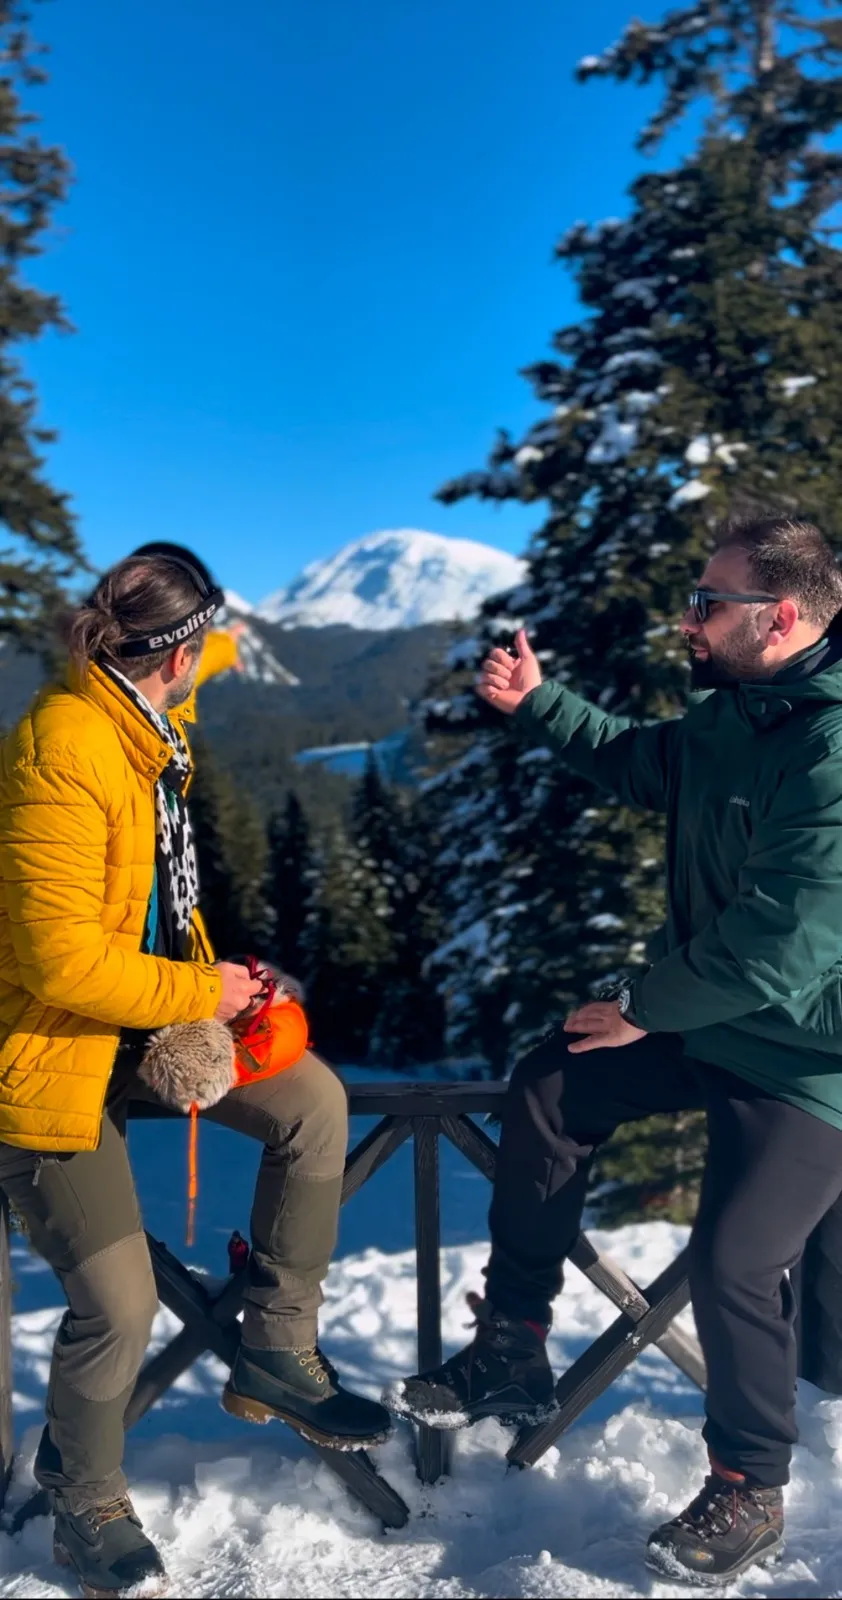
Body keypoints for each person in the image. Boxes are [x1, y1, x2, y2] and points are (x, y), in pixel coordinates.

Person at [390, 513, 842, 1583]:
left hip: (807, 1060)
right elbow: (637, 761)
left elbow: (785, 941)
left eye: (706, 603)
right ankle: (512, 1346)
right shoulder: (729, 714)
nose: (684, 620)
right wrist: (534, 706)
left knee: (735, 1256)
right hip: (711, 1021)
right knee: (549, 1079)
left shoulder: (827, 748)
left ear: (776, 618)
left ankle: (747, 1485)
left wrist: (643, 1001)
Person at [0, 546, 390, 1599]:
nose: (212, 657)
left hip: (143, 1025)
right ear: (168, 655)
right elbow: (57, 961)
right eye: (201, 645)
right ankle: (84, 1496)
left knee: (314, 1101)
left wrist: (209, 989)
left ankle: (275, 1346)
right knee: (118, 1303)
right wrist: (200, 993)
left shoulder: (142, 715)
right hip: (52, 1049)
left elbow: (198, 653)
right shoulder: (65, 750)